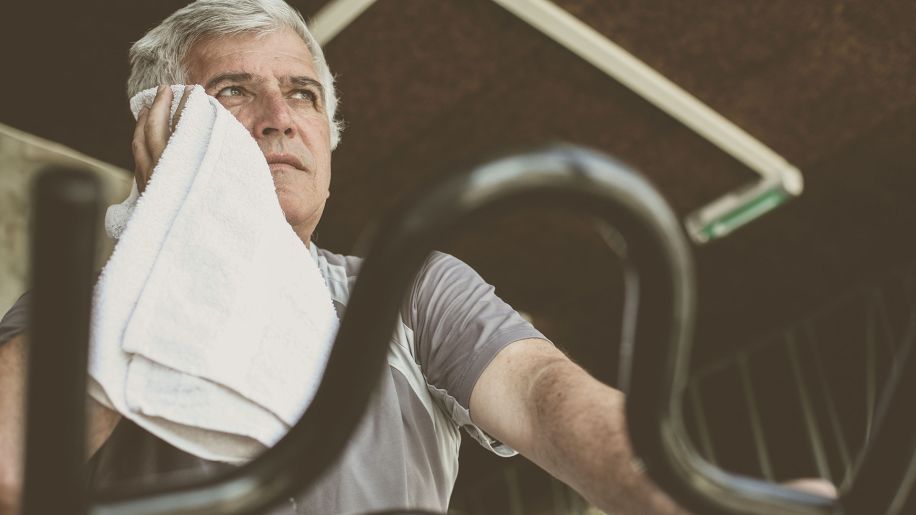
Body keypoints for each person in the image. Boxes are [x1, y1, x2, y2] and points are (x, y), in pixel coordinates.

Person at [0, 1, 834, 513]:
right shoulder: (85, 294)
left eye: (304, 93)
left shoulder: (405, 289)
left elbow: (545, 398)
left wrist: (685, 498)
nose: (280, 117)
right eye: (233, 92)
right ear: (167, 123)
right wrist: (169, 242)